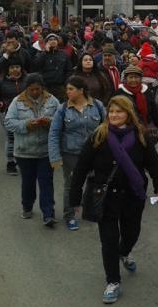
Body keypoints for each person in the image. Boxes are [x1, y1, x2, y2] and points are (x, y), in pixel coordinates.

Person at [69, 96, 158, 304]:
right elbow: (81, 168)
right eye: (111, 111)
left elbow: (154, 164)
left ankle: (125, 251)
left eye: (119, 112)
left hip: (133, 195)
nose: (114, 115)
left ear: (128, 114)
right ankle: (113, 281)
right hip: (106, 197)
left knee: (132, 233)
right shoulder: (99, 135)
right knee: (109, 241)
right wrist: (75, 197)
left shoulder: (141, 136)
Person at [48, 76, 106, 230]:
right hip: (71, 154)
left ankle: (93, 211)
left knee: (96, 183)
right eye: (67, 89)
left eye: (71, 89)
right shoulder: (63, 109)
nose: (68, 92)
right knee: (72, 185)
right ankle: (70, 215)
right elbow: (54, 133)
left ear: (81, 90)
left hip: (95, 153)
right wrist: (55, 157)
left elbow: (107, 127)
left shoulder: (97, 106)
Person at [4, 73, 61, 226]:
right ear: (27, 89)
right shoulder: (17, 102)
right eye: (32, 89)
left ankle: (48, 213)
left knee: (46, 182)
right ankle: (27, 206)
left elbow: (61, 120)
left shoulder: (53, 101)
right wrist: (26, 125)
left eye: (38, 89)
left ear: (42, 88)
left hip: (46, 151)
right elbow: (8, 122)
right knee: (28, 182)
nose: (35, 92)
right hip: (24, 151)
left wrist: (48, 122)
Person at [0, 57, 26, 175]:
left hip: (25, 114)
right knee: (11, 138)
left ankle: (22, 160)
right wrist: (0, 104)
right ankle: (10, 162)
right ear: (8, 69)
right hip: (7, 113)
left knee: (23, 137)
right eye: (12, 67)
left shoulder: (27, 80)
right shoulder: (1, 81)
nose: (15, 70)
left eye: (17, 67)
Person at [32, 33, 73, 101]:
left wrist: (66, 83)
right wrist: (45, 52)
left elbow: (69, 69)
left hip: (60, 87)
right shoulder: (41, 54)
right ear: (47, 42)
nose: (53, 41)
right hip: (46, 87)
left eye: (54, 39)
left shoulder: (63, 54)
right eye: (50, 40)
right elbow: (36, 66)